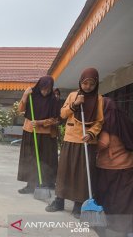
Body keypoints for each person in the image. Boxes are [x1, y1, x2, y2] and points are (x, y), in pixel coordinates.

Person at [46, 68, 104, 219]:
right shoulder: (73, 95)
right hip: (71, 139)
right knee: (64, 171)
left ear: (96, 84)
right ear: (80, 82)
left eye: (91, 84)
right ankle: (59, 200)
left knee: (83, 174)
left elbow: (99, 121)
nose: (88, 87)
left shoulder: (99, 99)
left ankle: (79, 205)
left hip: (87, 142)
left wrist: (91, 133)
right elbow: (63, 114)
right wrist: (75, 104)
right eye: (85, 83)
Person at [95, 98, 133, 236]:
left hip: (111, 166)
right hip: (128, 165)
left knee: (111, 198)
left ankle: (116, 228)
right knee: (125, 199)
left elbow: (104, 143)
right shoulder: (124, 119)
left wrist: (92, 146)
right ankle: (128, 228)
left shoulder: (108, 121)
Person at [17, 76, 60, 194]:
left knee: (45, 160)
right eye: (43, 89)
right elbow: (20, 109)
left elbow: (55, 119)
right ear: (39, 87)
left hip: (46, 134)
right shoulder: (32, 95)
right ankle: (30, 184)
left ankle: (44, 184)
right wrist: (25, 95)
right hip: (30, 131)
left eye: (48, 89)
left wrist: (40, 122)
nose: (45, 92)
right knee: (30, 158)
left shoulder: (53, 99)